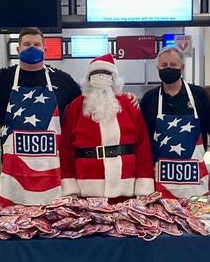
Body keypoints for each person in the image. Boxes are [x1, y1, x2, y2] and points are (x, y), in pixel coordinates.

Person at [0, 27, 81, 206]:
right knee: (13, 228)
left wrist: (124, 97)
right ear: (18, 49)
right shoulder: (1, 78)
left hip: (53, 177)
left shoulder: (63, 80)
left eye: (37, 44)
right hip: (14, 178)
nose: (32, 48)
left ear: (45, 49)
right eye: (27, 44)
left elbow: (87, 103)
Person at [60, 54, 154, 201]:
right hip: (86, 189)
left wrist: (144, 185)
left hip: (125, 188)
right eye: (95, 74)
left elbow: (142, 148)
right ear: (88, 78)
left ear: (114, 79)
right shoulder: (76, 107)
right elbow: (66, 150)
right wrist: (69, 185)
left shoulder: (129, 105)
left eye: (105, 73)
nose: (101, 77)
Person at [140, 46, 210, 199]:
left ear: (182, 67)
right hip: (160, 184)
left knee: (197, 222)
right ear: (157, 67)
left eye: (173, 65)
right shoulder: (149, 99)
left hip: (195, 183)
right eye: (164, 66)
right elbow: (141, 141)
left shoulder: (200, 95)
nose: (168, 69)